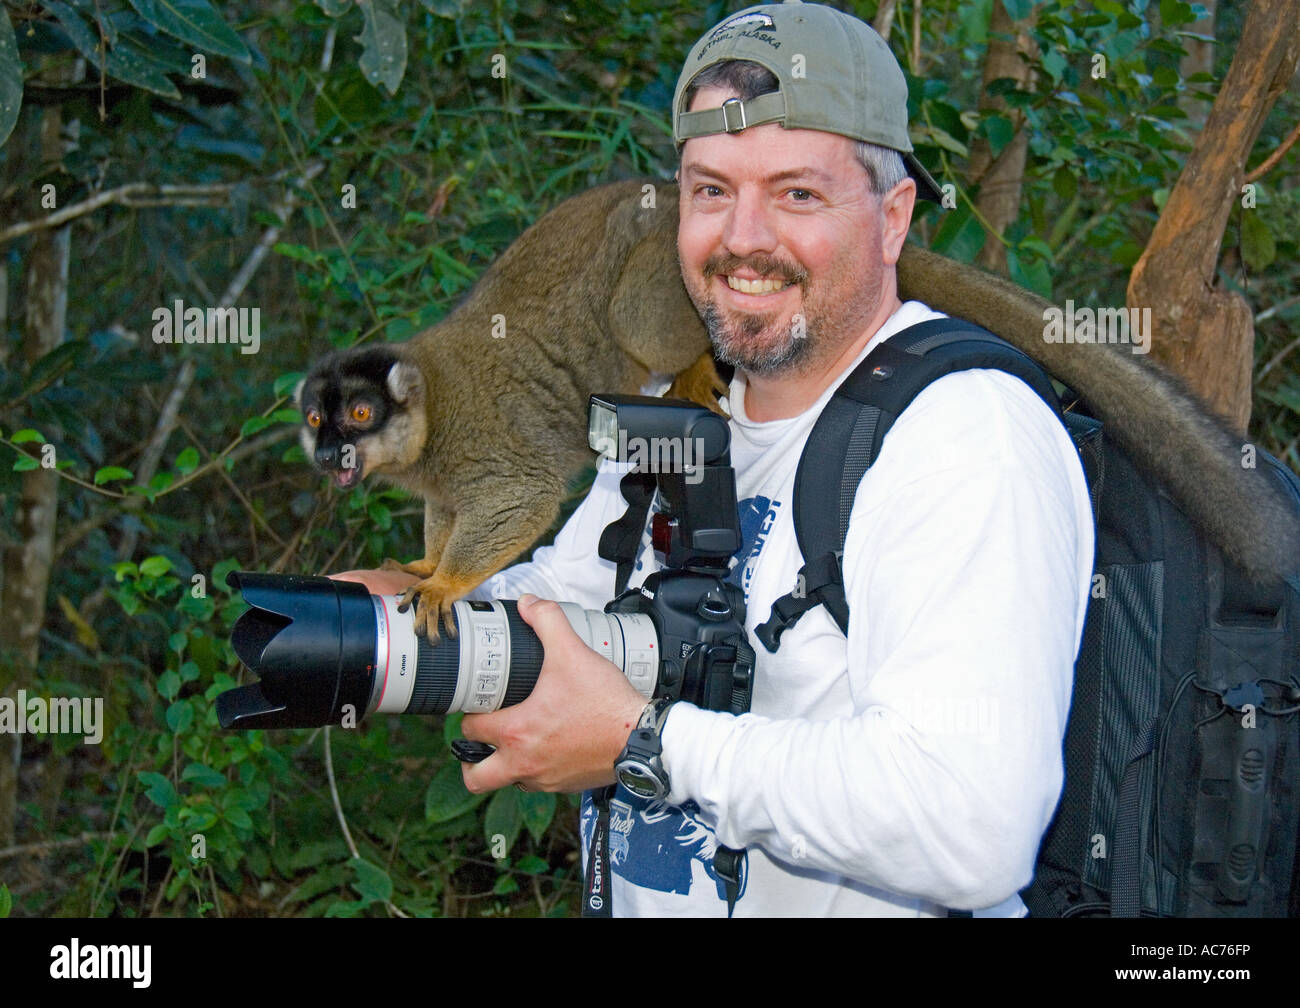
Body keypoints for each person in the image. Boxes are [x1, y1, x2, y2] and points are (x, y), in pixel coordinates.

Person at [344, 0, 1094, 916]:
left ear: (894, 218)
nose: (741, 238)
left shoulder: (968, 439)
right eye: (710, 190)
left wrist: (641, 744)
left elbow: (975, 828)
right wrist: (393, 622)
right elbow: (567, 607)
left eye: (797, 193)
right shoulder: (670, 416)